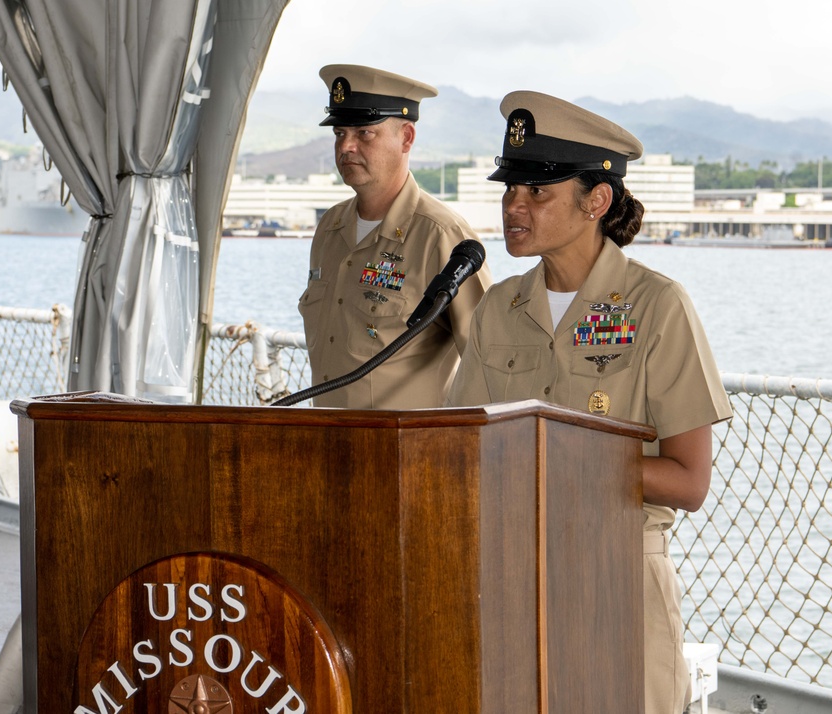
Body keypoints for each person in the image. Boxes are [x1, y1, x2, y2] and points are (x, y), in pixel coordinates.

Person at [445, 91, 733, 714]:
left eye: (537, 191)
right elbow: (462, 448)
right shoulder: (497, 309)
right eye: (510, 189)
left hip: (619, 580)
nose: (513, 206)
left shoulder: (657, 306)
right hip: (513, 581)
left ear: (596, 201)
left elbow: (689, 481)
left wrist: (554, 456)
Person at [298, 64, 491, 408]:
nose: (346, 147)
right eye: (340, 133)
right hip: (323, 435)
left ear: (406, 138)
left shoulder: (441, 235)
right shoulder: (330, 228)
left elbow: (488, 364)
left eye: (364, 133)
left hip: (407, 441)